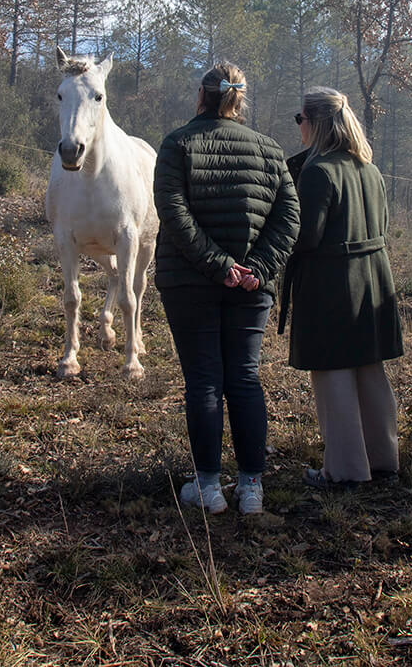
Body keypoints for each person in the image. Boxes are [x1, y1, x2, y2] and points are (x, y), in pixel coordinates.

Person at [153, 63, 300, 516]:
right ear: (240, 98)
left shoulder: (178, 144)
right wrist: (257, 267)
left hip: (189, 282)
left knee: (203, 381)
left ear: (202, 94)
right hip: (251, 288)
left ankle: (209, 487)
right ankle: (252, 488)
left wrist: (219, 266)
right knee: (244, 378)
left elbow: (172, 211)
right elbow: (289, 218)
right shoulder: (271, 150)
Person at [285, 86, 403, 487]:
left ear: (315, 123)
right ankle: (382, 461)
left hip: (333, 284)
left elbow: (307, 238)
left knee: (332, 375)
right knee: (370, 371)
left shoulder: (318, 172)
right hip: (374, 280)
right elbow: (382, 226)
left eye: (300, 119)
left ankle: (346, 472)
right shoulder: (368, 169)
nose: (298, 127)